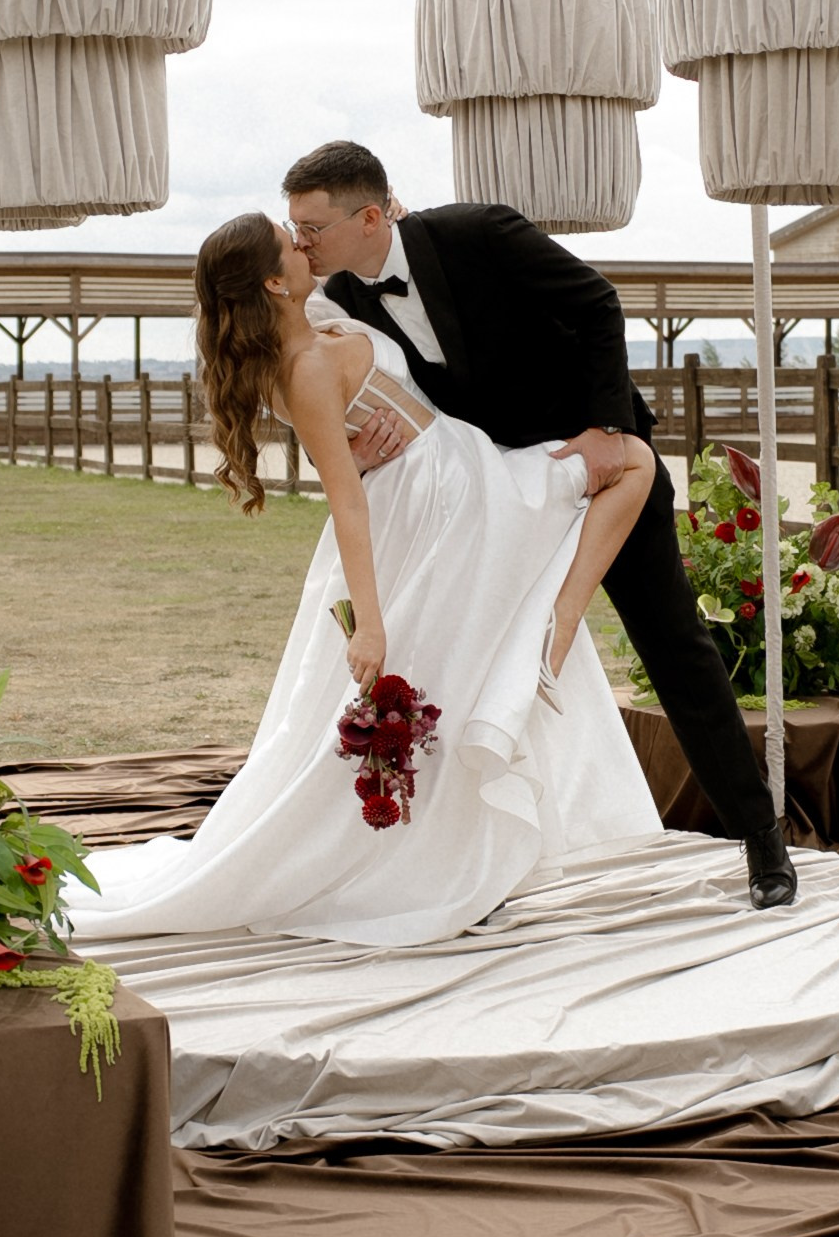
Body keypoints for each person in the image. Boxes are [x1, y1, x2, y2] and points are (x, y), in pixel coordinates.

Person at [65, 212, 664, 953]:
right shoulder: (307, 367)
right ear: (275, 283)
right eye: (292, 243)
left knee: (459, 665)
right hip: (442, 500)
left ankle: (553, 631)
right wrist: (371, 624)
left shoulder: (310, 323)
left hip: (443, 473)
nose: (305, 243)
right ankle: (562, 620)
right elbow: (346, 499)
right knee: (631, 459)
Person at [284, 140, 798, 909]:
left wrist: (603, 430)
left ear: (368, 216)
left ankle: (761, 842)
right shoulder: (339, 301)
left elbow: (597, 304)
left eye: (311, 228)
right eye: (292, 231)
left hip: (596, 466)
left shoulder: (480, 232)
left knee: (672, 644)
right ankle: (462, 868)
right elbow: (332, 392)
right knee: (464, 661)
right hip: (494, 498)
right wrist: (365, 443)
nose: (300, 244)